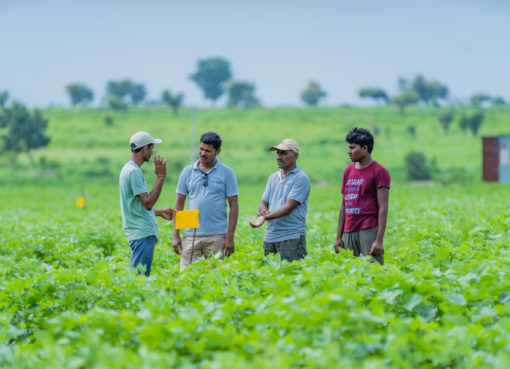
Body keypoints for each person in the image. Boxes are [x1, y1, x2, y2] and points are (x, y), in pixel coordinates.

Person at [172, 132, 239, 271]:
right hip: (191, 234)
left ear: (218, 151)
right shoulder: (187, 171)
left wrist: (229, 238)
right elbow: (179, 204)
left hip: (217, 235)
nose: (203, 153)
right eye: (201, 149)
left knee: (215, 279)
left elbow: (234, 206)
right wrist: (176, 235)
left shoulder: (227, 172)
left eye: (208, 151)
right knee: (186, 277)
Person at [119, 131, 175, 277]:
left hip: (138, 233)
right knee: (140, 280)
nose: (152, 152)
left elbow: (136, 206)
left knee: (138, 277)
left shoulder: (127, 169)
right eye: (151, 149)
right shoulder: (134, 172)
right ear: (145, 149)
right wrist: (161, 177)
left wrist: (160, 212)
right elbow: (147, 203)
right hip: (142, 234)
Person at [333, 127, 390, 265]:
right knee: (350, 273)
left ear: (364, 148)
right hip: (349, 229)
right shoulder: (348, 171)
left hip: (369, 228)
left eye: (352, 148)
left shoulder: (379, 172)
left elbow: (383, 207)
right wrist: (339, 237)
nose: (349, 151)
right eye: (348, 147)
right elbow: (343, 206)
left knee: (373, 270)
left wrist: (379, 240)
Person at [250, 139, 311, 262]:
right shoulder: (273, 177)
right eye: (277, 153)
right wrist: (263, 211)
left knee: (291, 274)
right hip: (270, 236)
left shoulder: (301, 178)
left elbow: (288, 207)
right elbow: (263, 202)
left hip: (291, 237)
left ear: (295, 155)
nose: (279, 157)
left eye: (283, 153)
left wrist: (265, 218)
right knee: (269, 276)